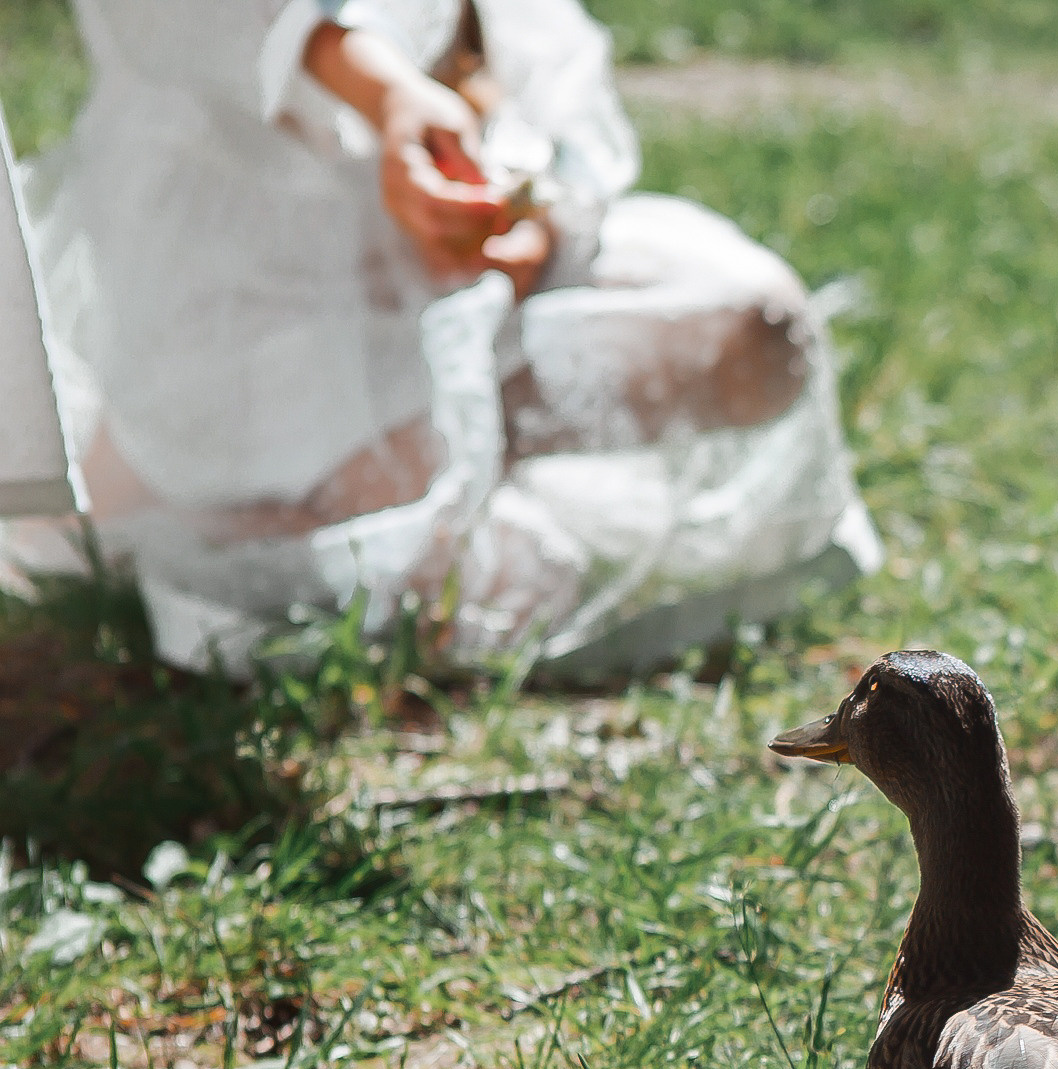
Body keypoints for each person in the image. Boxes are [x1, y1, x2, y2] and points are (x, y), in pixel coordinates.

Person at [8, 0, 880, 676]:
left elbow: (535, 51)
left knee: (762, 333)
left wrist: (534, 203)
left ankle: (391, 503)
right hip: (254, 296)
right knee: (517, 580)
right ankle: (198, 509)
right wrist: (384, 96)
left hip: (470, 274)